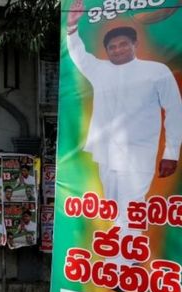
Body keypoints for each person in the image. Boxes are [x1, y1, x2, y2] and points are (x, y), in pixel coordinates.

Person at [67, 0, 182, 265]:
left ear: (134, 45)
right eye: (112, 47)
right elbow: (79, 54)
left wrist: (171, 153)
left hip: (139, 153)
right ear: (107, 51)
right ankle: (122, 260)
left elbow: (175, 110)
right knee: (113, 208)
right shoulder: (101, 70)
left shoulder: (156, 71)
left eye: (122, 44)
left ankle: (123, 266)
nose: (117, 50)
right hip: (107, 153)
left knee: (132, 207)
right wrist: (72, 26)